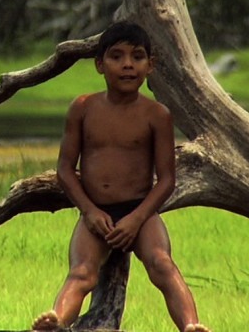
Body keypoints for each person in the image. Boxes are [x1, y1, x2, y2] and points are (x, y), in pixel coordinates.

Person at [31, 21, 209, 332]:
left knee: (162, 264)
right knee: (82, 273)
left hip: (140, 211)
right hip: (96, 213)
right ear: (100, 65)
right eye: (117, 56)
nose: (128, 65)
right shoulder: (83, 108)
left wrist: (136, 219)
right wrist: (89, 211)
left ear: (150, 65)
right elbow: (65, 169)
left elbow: (166, 179)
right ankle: (57, 321)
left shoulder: (157, 115)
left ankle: (191, 326)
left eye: (137, 56)